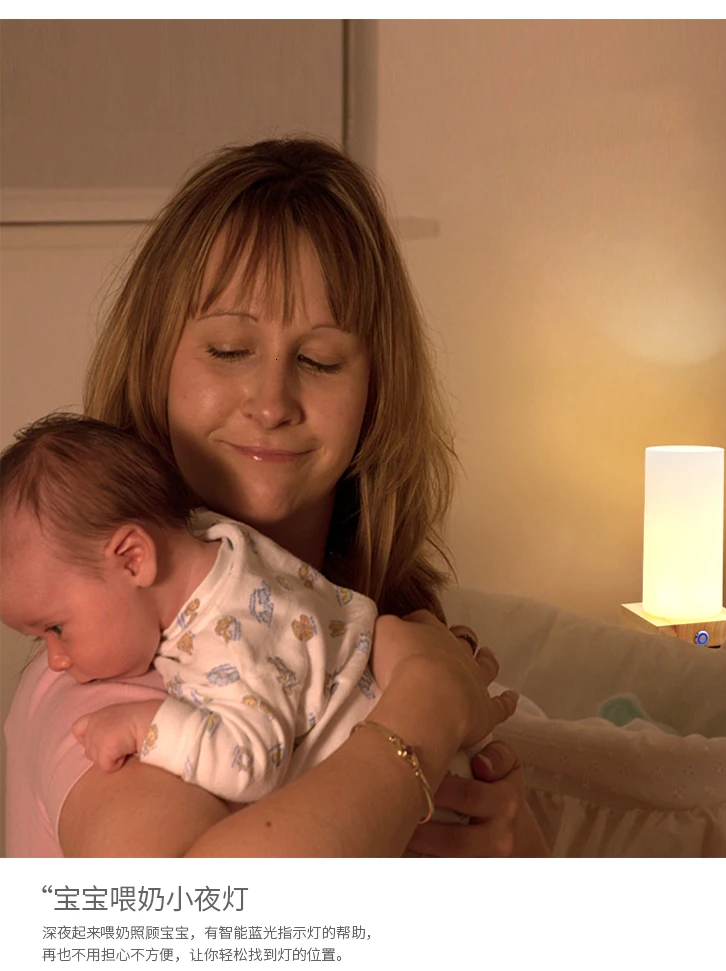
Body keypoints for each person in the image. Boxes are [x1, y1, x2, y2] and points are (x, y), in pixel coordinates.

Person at [4, 136, 549, 857]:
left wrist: (509, 840)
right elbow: (187, 917)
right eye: (229, 350)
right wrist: (421, 719)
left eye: (319, 360)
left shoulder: (374, 638)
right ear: (154, 362)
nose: (270, 402)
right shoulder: (103, 671)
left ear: (374, 391)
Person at [1, 413, 473, 819]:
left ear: (133, 559)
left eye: (55, 628)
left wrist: (146, 726)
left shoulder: (230, 637)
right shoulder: (217, 539)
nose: (56, 659)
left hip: (416, 811)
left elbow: (249, 764)